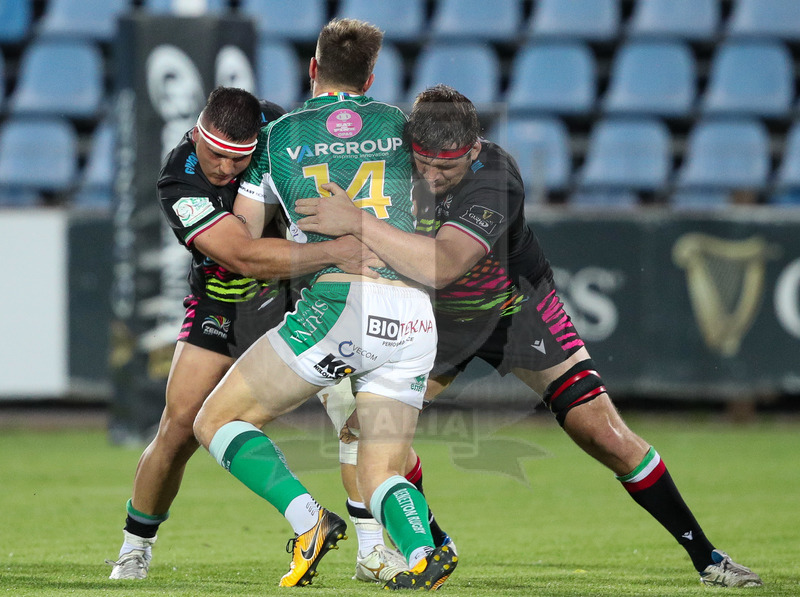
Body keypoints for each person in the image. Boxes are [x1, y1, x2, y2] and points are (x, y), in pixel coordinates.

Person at [295, 84, 764, 588]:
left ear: (473, 149)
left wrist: (360, 222)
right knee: (374, 439)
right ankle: (433, 544)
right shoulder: (391, 163)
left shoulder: (496, 176)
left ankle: (707, 557)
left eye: (445, 169)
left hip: (515, 310)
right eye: (422, 163)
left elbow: (445, 265)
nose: (431, 177)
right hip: (431, 323)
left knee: (604, 435)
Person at [191, 20, 457, 589]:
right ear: (371, 76)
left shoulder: (279, 138)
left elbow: (243, 239)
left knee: (216, 420)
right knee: (379, 465)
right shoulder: (400, 127)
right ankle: (419, 552)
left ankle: (308, 519)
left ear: (312, 70)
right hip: (413, 315)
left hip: (339, 307)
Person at [107, 86, 381, 581]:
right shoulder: (179, 179)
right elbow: (242, 255)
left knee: (361, 416)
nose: (226, 170)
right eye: (215, 155)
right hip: (224, 304)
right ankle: (134, 548)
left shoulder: (280, 132)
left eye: (240, 159)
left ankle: (380, 549)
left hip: (299, 298)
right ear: (196, 133)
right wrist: (336, 252)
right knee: (179, 427)